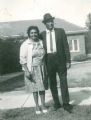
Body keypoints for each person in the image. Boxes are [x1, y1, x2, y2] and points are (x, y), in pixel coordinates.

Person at [40, 13, 72, 112]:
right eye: (48, 22)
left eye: (51, 21)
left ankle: (66, 103)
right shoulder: (42, 34)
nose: (50, 23)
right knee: (52, 83)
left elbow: (66, 46)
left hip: (60, 59)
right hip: (49, 60)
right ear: (45, 23)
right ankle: (57, 103)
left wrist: (68, 60)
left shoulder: (60, 31)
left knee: (63, 81)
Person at [20, 26, 48, 114]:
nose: (33, 34)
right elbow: (22, 59)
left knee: (42, 88)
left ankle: (43, 105)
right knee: (35, 89)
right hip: (31, 68)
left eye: (35, 32)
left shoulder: (41, 42)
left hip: (42, 67)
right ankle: (37, 106)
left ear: (37, 33)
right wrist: (27, 71)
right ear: (29, 34)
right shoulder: (25, 44)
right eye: (31, 33)